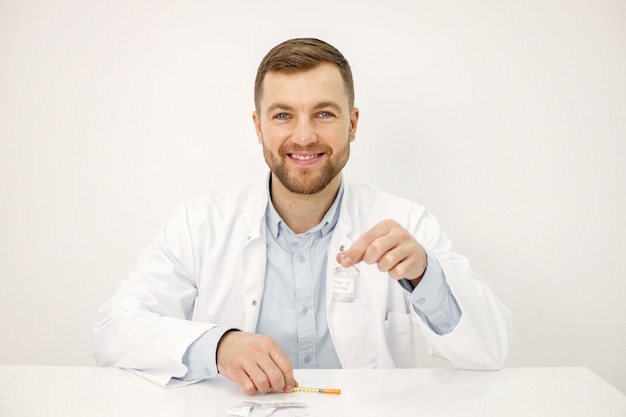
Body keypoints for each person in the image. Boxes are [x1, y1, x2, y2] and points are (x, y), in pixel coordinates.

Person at [93, 38, 512, 395]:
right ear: (258, 128)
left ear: (353, 123)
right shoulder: (202, 223)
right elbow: (115, 330)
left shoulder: (406, 224)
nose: (304, 135)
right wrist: (217, 346)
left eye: (324, 113)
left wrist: (424, 276)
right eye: (283, 115)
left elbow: (489, 350)